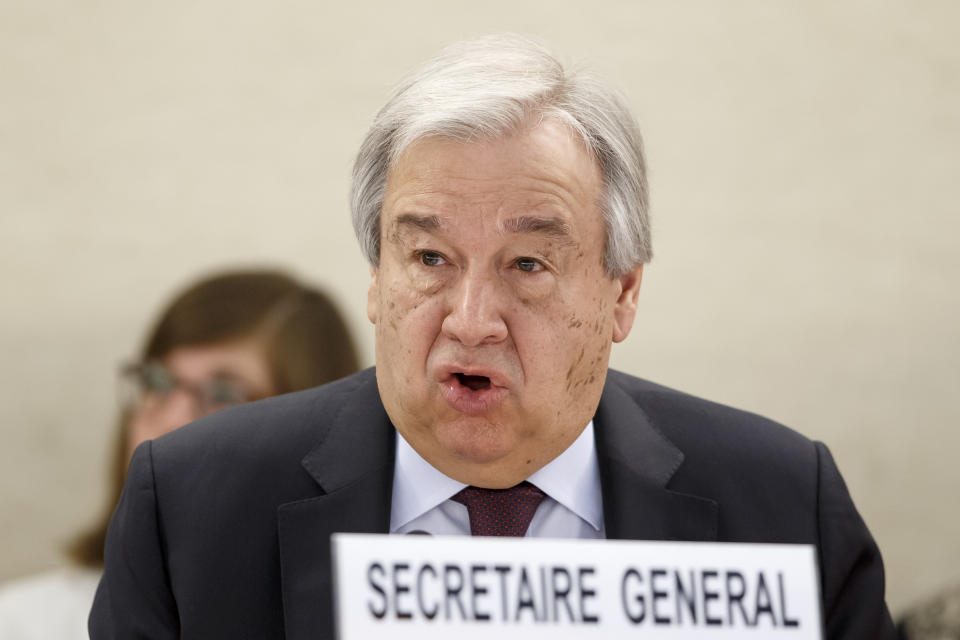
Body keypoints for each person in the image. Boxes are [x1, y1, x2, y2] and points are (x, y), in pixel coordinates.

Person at [90, 35, 896, 639]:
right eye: (430, 257)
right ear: (376, 278)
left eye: (529, 263)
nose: (471, 320)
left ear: (622, 291)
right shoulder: (191, 510)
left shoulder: (787, 509)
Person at [0, 269, 359, 640]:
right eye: (158, 382)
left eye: (223, 393)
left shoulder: (372, 619)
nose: (172, 420)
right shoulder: (22, 624)